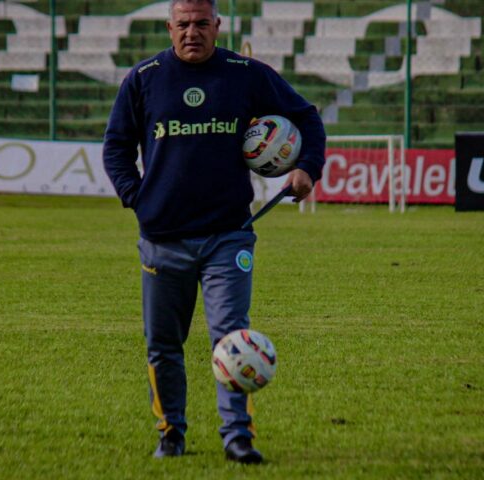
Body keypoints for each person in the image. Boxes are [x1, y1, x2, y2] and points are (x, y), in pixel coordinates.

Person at [102, 0, 326, 464]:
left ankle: (237, 437)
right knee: (163, 345)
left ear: (217, 26)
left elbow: (307, 116)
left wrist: (306, 167)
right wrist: (136, 196)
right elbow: (116, 147)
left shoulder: (245, 73)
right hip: (162, 238)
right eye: (182, 24)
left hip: (228, 234)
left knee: (232, 338)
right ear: (169, 27)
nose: (191, 32)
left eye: (201, 23)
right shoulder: (143, 79)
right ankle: (170, 433)